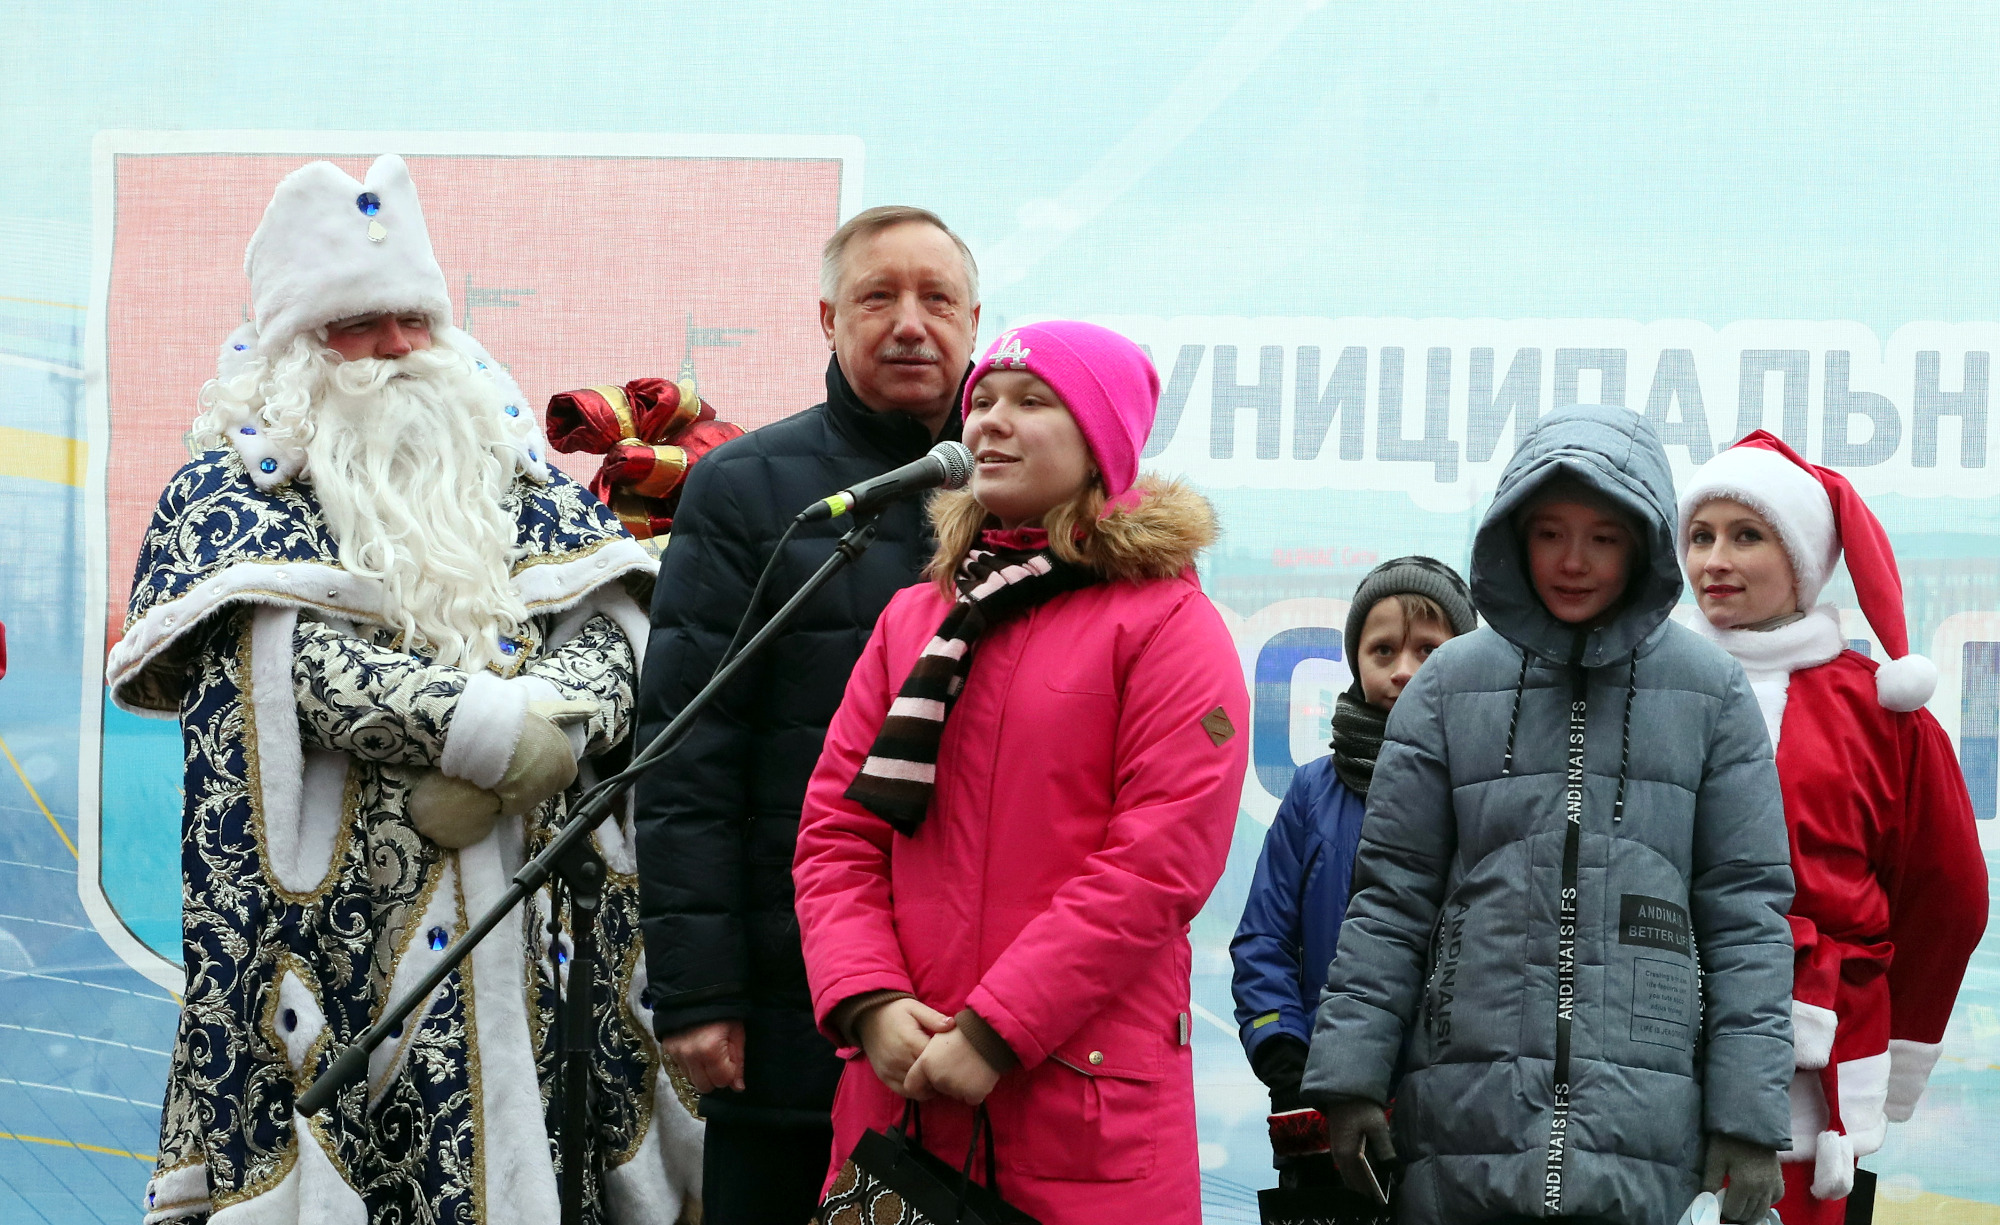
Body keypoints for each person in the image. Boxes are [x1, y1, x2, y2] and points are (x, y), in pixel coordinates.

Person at [110, 155, 699, 1224]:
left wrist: (551, 728)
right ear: (295, 345)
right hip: (344, 945)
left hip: (534, 919)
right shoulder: (226, 489)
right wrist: (488, 730)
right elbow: (295, 667)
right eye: (360, 325)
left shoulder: (511, 472)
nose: (394, 350)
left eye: (412, 322)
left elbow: (615, 627)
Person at [792, 321, 1250, 1224]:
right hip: (906, 1097)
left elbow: (1156, 866)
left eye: (1032, 402)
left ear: (1102, 444)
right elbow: (836, 835)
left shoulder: (1168, 625)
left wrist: (998, 1028)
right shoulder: (914, 617)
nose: (993, 422)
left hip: (1081, 1109)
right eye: (985, 401)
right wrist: (869, 1000)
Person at [1302, 405, 1797, 1225]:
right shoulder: (1446, 687)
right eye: (1549, 533)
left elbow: (1747, 917)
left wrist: (1746, 1117)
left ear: (1641, 542)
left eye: (1603, 536)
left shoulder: (1712, 694)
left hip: (1645, 1132)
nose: (1573, 561)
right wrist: (1352, 1076)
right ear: (1513, 535)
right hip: (1465, 1122)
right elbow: (1391, 900)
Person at [633, 205, 980, 1223]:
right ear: (827, 318)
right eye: (878, 297)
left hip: (977, 1012)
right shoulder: (749, 491)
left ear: (974, 320)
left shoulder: (1036, 492)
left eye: (936, 299)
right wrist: (700, 995)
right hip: (792, 1012)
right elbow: (686, 756)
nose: (910, 323)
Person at [1679, 431, 1989, 1225]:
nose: (1716, 557)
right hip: (1653, 1051)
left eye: (1747, 535)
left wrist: (1894, 1039)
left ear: (1806, 559)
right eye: (1701, 534)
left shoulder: (1883, 715)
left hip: (1816, 1068)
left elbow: (1947, 896)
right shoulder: (1645, 690)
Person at [1230, 556, 1476, 1180]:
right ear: (1355, 661)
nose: (1404, 671)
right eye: (1383, 650)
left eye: (1429, 649)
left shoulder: (1495, 791)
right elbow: (1264, 940)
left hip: (1465, 1113)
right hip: (1328, 1103)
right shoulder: (1314, 792)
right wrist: (1286, 1056)